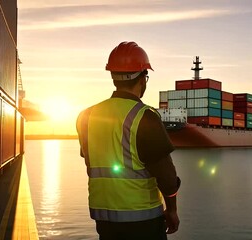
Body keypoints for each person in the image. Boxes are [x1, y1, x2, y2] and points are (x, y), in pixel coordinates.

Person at [76, 41, 180, 240]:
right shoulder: (145, 116)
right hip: (143, 219)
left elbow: (91, 159)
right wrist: (172, 209)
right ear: (143, 78)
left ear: (113, 76)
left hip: (103, 218)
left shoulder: (85, 116)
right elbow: (167, 177)